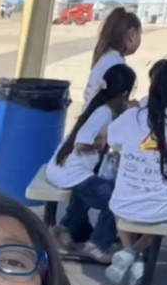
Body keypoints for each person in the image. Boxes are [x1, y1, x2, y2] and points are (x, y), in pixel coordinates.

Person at [105, 59, 167, 285]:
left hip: (122, 204)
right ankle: (134, 252)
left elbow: (113, 141)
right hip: (162, 207)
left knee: (122, 211)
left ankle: (131, 253)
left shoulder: (132, 116)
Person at [47, 63, 137, 264]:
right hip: (71, 174)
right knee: (116, 198)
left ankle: (65, 228)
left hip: (62, 170)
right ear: (124, 94)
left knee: (90, 190)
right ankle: (98, 244)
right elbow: (80, 144)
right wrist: (101, 143)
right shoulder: (104, 113)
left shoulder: (100, 108)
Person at [83, 8, 141, 106]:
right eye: (139, 34)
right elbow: (114, 106)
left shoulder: (109, 57)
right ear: (132, 34)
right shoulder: (116, 65)